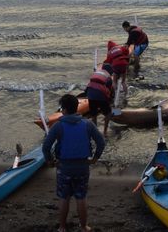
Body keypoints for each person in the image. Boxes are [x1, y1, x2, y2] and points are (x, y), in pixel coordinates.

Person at [42, 93, 106, 232]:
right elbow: (101, 142)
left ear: (63, 110)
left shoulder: (58, 126)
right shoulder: (87, 124)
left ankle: (62, 227)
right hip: (82, 167)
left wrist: (50, 161)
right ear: (77, 107)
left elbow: (46, 146)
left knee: (64, 198)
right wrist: (95, 158)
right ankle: (84, 226)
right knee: (81, 197)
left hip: (64, 167)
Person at [85, 63, 114, 135]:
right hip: (100, 93)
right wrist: (110, 101)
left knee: (94, 114)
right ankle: (105, 132)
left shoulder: (96, 73)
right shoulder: (108, 77)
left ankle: (95, 132)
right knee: (108, 113)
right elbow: (109, 92)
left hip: (90, 93)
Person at [104, 41, 130, 105]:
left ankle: (115, 94)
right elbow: (127, 52)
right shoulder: (120, 47)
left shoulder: (109, 52)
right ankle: (126, 95)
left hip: (115, 65)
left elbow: (108, 62)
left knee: (114, 81)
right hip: (124, 64)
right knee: (123, 81)